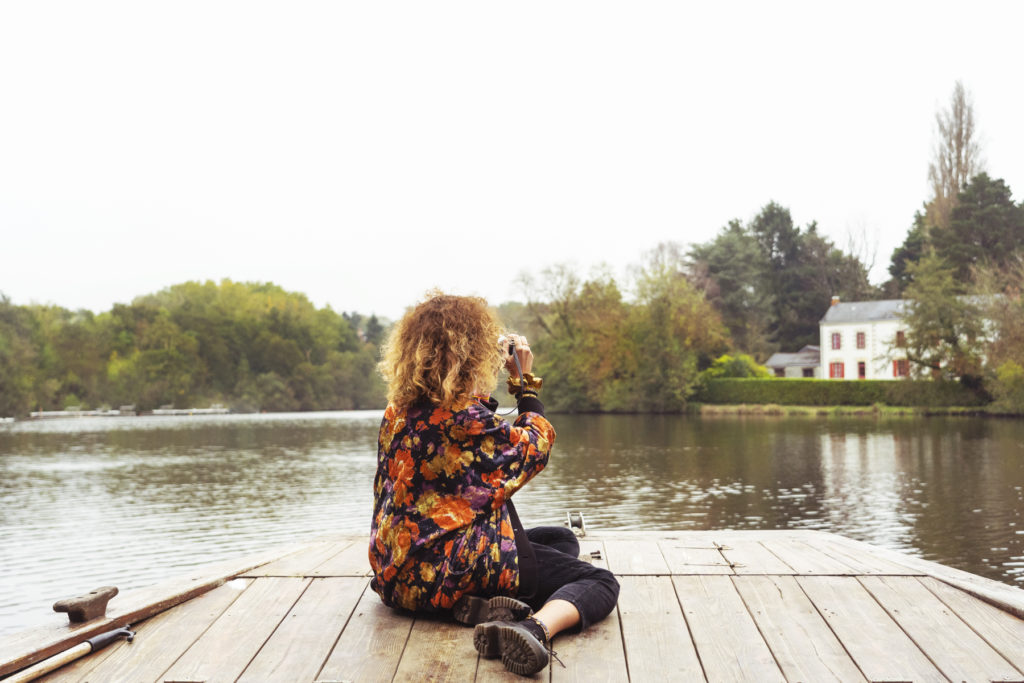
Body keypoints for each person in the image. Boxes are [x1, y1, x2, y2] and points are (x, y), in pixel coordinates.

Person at [369, 292, 620, 676]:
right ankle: (531, 628)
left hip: (397, 577)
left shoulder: (397, 413)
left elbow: (472, 430)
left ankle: (481, 603)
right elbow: (535, 445)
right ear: (472, 354)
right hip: (442, 573)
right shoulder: (463, 420)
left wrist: (486, 392)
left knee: (561, 540)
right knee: (599, 582)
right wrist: (525, 387)